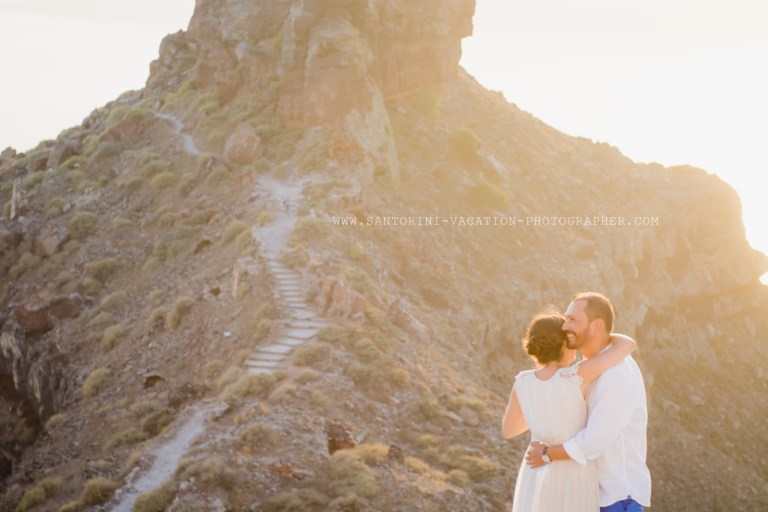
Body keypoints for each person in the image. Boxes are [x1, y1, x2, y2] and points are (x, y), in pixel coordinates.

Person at [502, 304, 637, 512]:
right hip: (572, 471)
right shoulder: (576, 376)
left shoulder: (522, 382)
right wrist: (597, 334)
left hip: (534, 468)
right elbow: (626, 345)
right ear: (565, 345)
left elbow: (509, 430)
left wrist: (541, 417)